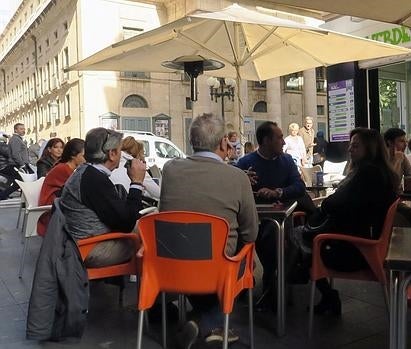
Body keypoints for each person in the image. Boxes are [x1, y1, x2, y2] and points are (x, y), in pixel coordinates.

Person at [158, 113, 258, 347]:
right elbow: (251, 233)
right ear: (224, 142)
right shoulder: (237, 177)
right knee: (250, 264)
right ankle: (208, 322)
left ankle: (204, 321)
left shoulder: (170, 169)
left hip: (171, 261)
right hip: (218, 265)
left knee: (200, 257)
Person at [293, 128, 398, 316]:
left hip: (353, 251)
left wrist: (328, 202)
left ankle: (301, 277)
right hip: (369, 244)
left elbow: (335, 204)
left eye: (356, 145)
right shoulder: (381, 173)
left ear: (370, 148)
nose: (350, 149)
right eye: (351, 145)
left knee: (298, 237)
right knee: (305, 239)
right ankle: (307, 277)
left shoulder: (367, 174)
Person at [236, 121, 308, 308]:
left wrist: (278, 192)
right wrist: (243, 181)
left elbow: (300, 187)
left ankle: (272, 284)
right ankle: (268, 284)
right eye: (279, 137)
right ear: (266, 141)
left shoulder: (287, 162)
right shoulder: (245, 164)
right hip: (250, 220)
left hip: (280, 219)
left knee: (273, 236)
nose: (283, 142)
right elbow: (233, 190)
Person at [60, 128, 146, 268]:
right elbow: (126, 223)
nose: (121, 156)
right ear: (112, 154)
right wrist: (136, 183)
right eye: (119, 151)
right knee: (153, 233)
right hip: (91, 249)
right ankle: (157, 283)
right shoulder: (94, 179)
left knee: (147, 228)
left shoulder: (86, 172)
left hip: (79, 243)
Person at [37, 138, 85, 235]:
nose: (86, 158)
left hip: (57, 203)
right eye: (84, 155)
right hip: (50, 209)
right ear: (73, 155)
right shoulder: (63, 169)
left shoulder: (67, 167)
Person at [0, 123, 32, 200]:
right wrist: (22, 165)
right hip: (16, 165)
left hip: (18, 164)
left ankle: (24, 199)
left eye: (24, 129)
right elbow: (15, 154)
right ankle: (3, 195)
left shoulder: (17, 139)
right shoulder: (15, 139)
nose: (23, 130)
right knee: (21, 182)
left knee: (20, 182)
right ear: (16, 130)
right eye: (21, 129)